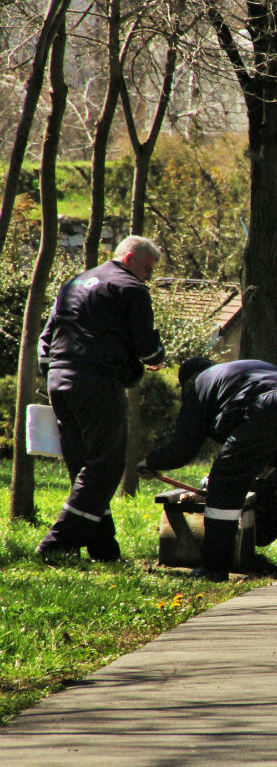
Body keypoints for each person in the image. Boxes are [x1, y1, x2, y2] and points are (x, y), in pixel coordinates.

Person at [35, 235, 166, 562]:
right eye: (148, 268)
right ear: (130, 256)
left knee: (84, 465)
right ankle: (58, 543)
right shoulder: (131, 288)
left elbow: (47, 335)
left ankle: (103, 546)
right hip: (97, 381)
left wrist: (52, 371)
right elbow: (146, 345)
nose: (148, 275)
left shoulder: (74, 283)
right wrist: (155, 356)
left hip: (59, 378)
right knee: (106, 466)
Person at [137, 358, 277, 580]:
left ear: (187, 384)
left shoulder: (201, 385)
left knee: (224, 484)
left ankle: (213, 568)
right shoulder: (237, 373)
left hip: (264, 405)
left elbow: (182, 449)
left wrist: (151, 462)